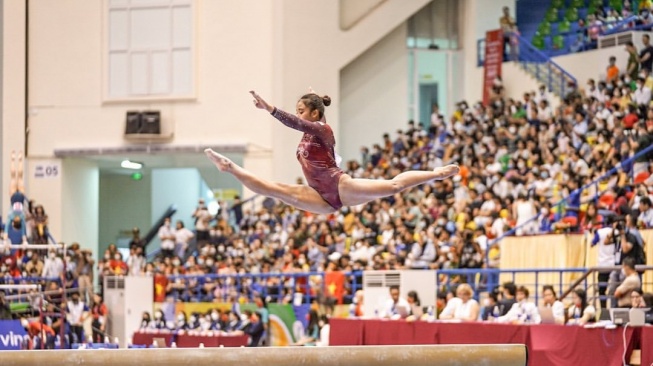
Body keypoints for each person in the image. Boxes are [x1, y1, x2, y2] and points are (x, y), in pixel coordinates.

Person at [205, 90, 459, 215]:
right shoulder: (309, 133)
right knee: (275, 190)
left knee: (392, 187)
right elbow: (302, 123)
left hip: (339, 187)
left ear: (315, 114)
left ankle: (434, 174)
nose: (299, 114)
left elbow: (297, 123)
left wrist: (270, 109)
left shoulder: (323, 130)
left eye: (302, 110)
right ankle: (228, 166)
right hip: (317, 194)